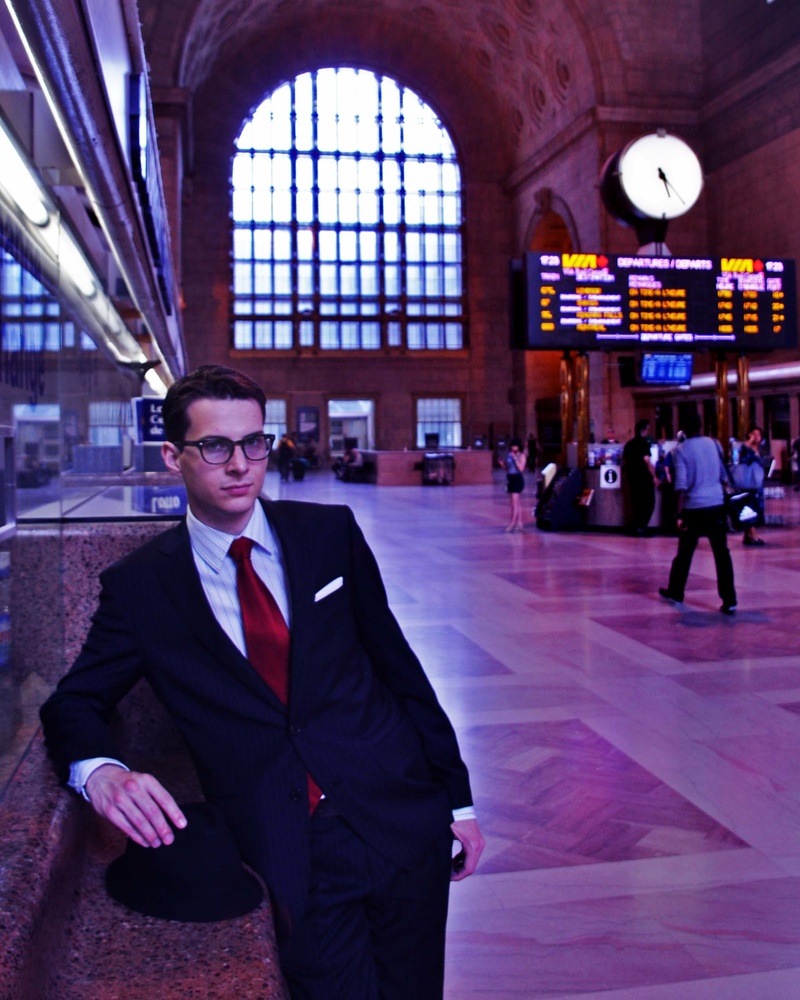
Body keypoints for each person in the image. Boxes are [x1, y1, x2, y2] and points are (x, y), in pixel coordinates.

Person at [40, 364, 484, 1000]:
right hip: (288, 849)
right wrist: (102, 772)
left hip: (398, 820)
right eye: (215, 447)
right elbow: (73, 702)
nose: (241, 464)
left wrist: (457, 799)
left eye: (255, 443)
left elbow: (399, 670)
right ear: (173, 456)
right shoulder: (142, 588)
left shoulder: (328, 534)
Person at [658, 409, 737, 615]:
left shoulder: (680, 451)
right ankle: (730, 600)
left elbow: (681, 486)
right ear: (702, 425)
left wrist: (679, 514)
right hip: (716, 505)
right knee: (722, 553)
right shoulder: (714, 444)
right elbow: (723, 475)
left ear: (683, 428)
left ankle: (676, 591)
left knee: (684, 553)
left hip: (694, 508)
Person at [622, 419, 658, 536]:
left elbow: (625, 461)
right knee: (649, 502)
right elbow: (647, 461)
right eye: (647, 428)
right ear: (643, 430)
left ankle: (637, 527)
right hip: (643, 478)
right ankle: (642, 526)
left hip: (632, 478)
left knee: (636, 503)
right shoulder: (643, 443)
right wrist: (655, 476)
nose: (648, 431)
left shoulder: (629, 444)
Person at [737, 426, 766, 546]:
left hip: (757, 482)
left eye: (759, 434)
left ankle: (747, 535)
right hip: (748, 483)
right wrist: (749, 440)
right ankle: (753, 536)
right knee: (749, 507)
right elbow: (741, 453)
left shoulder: (761, 449)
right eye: (754, 434)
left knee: (753, 508)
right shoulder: (746, 448)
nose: (756, 437)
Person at [504, 436, 527, 532]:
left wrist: (515, 459)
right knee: (515, 503)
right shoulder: (509, 455)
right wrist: (502, 464)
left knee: (514, 504)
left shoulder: (522, 456)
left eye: (515, 446)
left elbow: (521, 469)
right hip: (510, 479)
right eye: (512, 446)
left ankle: (512, 523)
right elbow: (507, 468)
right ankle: (519, 522)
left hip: (517, 479)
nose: (513, 448)